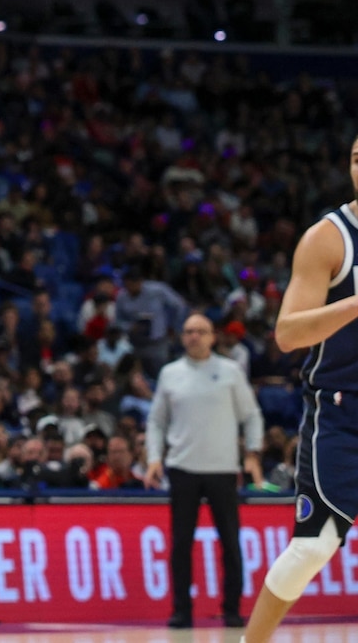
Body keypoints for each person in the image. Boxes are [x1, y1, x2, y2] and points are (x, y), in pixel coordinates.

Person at [245, 141, 358, 642]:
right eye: (357, 158)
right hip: (341, 409)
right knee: (314, 547)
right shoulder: (328, 238)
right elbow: (288, 333)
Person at [144, 312, 263, 629]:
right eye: (188, 331)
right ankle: (181, 610)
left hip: (223, 469)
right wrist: (154, 458)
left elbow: (251, 415)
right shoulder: (170, 374)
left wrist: (252, 453)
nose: (193, 336)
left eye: (200, 331)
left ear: (213, 337)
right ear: (182, 337)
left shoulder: (229, 371)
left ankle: (232, 609)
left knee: (230, 544)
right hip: (182, 468)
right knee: (181, 544)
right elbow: (156, 422)